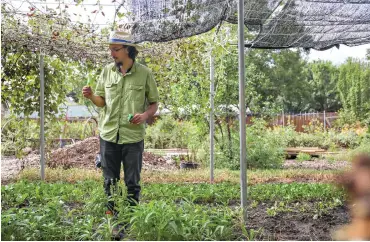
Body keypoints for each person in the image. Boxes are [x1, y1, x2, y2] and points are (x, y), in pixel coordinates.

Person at [82, 31, 159, 216]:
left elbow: (154, 103)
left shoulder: (145, 74)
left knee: (132, 181)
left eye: (116, 49)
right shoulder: (107, 71)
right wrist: (92, 96)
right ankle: (112, 218)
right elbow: (102, 101)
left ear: (128, 50)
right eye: (110, 49)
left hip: (133, 137)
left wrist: (145, 115)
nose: (112, 53)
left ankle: (132, 217)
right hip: (108, 135)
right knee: (110, 180)